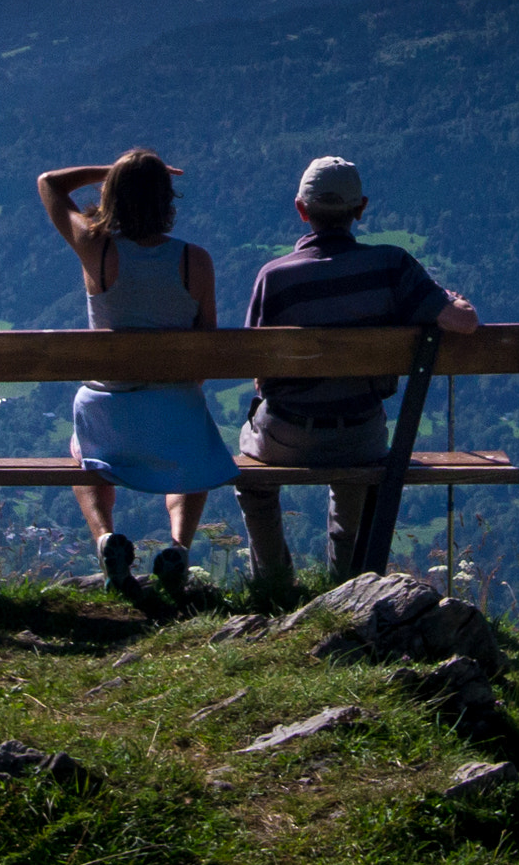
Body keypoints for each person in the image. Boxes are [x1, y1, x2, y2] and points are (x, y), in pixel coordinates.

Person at [235, 154, 479, 587]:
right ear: (360, 209)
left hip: (287, 437)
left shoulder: (273, 277)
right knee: (356, 459)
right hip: (360, 435)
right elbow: (463, 322)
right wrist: (455, 301)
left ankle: (273, 582)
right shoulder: (391, 266)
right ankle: (347, 583)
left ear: (301, 209)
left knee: (249, 469)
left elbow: (258, 368)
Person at [37, 150, 238, 598]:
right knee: (193, 452)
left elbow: (49, 182)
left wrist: (112, 173)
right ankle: (178, 548)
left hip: (107, 410)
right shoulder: (195, 261)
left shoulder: (95, 246)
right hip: (173, 410)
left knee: (82, 454)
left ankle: (105, 537)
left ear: (112, 196)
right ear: (167, 201)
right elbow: (206, 346)